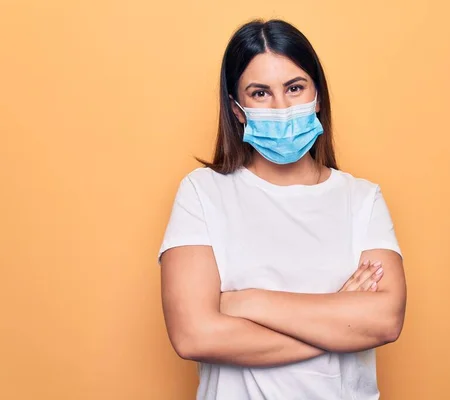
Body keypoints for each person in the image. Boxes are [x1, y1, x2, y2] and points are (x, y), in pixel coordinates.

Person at [158, 19, 407, 400]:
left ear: (317, 95)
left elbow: (385, 321)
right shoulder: (202, 193)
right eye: (260, 93)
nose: (282, 106)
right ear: (237, 109)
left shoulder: (362, 199)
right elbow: (194, 335)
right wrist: (338, 322)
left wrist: (244, 302)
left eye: (294, 88)